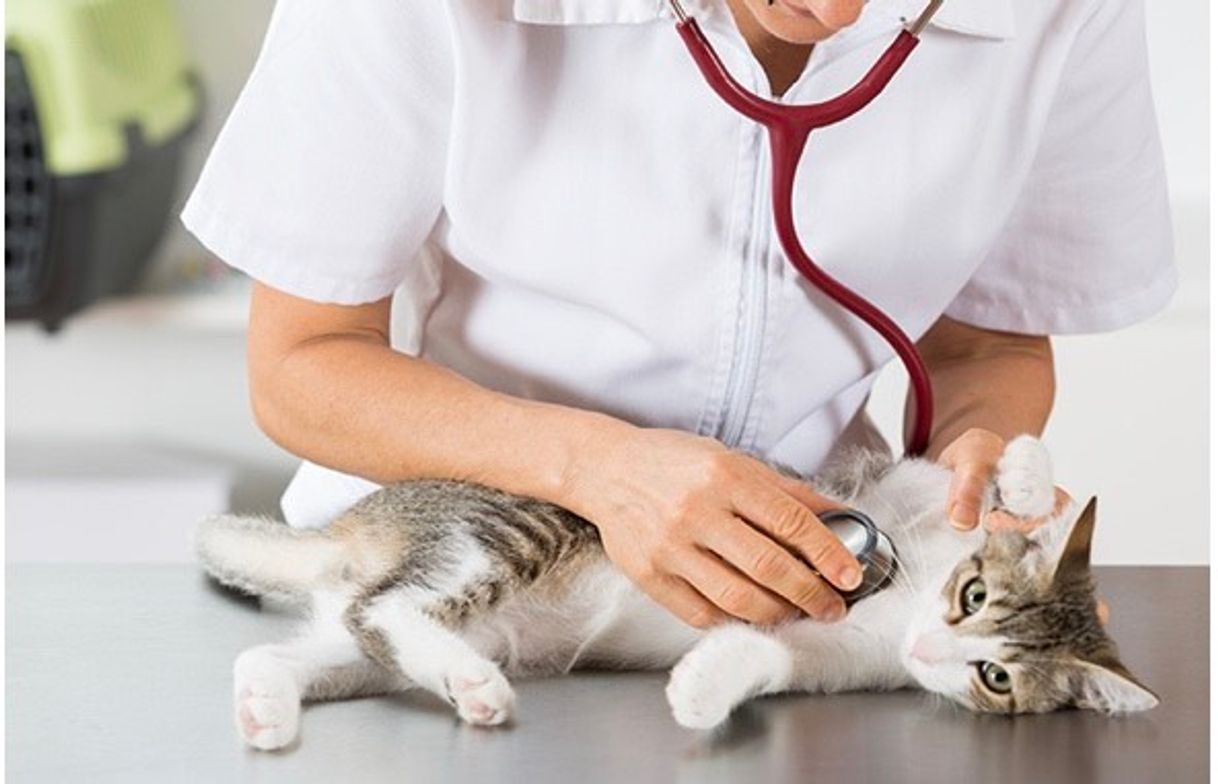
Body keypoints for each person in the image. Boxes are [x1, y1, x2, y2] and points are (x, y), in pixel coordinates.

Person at [182, 0, 1173, 629]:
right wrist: (603, 470)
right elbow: (303, 363)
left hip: (796, 600)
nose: (836, 11)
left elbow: (986, 343)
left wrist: (977, 450)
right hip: (445, 597)